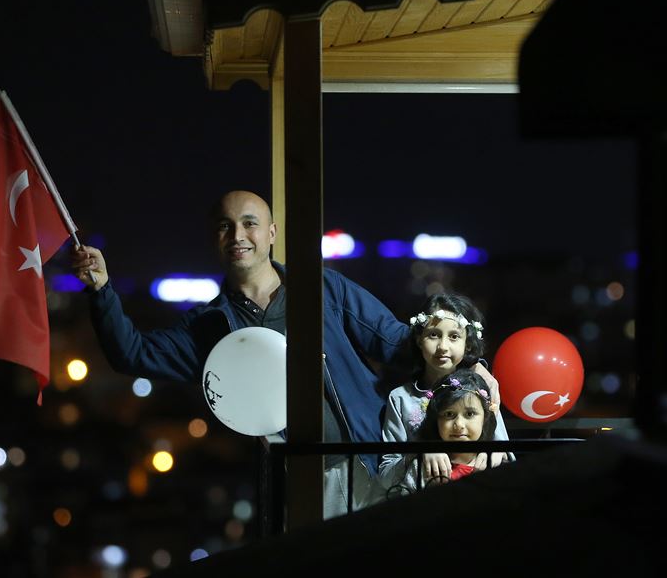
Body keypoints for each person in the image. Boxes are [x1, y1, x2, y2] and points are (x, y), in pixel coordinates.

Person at [71, 190, 502, 518]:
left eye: (249, 223)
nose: (238, 235)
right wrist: (101, 291)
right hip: (293, 477)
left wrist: (468, 365)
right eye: (225, 226)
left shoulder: (323, 288)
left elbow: (398, 341)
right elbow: (132, 354)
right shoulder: (209, 325)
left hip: (370, 462)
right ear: (214, 239)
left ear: (272, 233)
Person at [378, 293, 512, 495]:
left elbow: (507, 456)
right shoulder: (401, 398)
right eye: (433, 334)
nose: (443, 346)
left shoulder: (480, 390)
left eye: (454, 336)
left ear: (467, 343)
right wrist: (422, 451)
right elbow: (386, 476)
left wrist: (494, 452)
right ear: (418, 339)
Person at [414, 369, 498, 485]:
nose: (459, 424)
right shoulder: (423, 464)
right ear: (436, 419)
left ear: (485, 417)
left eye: (469, 414)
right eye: (449, 414)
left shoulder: (496, 464)